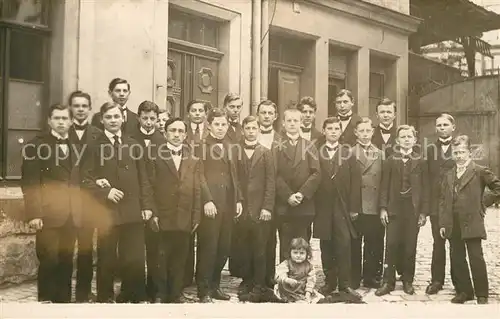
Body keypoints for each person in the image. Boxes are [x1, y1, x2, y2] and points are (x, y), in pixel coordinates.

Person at [82, 102, 154, 303]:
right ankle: (105, 297)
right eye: (109, 117)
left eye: (116, 116)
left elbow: (144, 178)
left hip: (133, 210)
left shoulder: (133, 144)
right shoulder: (94, 146)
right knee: (107, 256)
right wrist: (105, 190)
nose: (113, 120)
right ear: (102, 120)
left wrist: (147, 206)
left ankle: (133, 294)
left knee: (135, 256)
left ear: (123, 119)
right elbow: (84, 178)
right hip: (107, 212)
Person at [22, 104, 82, 303]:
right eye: (57, 118)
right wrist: (34, 214)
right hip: (47, 215)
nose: (61, 122)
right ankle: (45, 305)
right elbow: (30, 183)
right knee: (49, 260)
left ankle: (63, 305)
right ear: (49, 121)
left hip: (71, 214)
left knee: (66, 262)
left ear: (71, 121)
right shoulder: (35, 146)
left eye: (65, 118)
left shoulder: (77, 145)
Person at [148, 117, 205, 303]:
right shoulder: (155, 156)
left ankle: (176, 293)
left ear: (186, 135)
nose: (177, 135)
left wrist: (196, 215)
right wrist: (153, 212)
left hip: (184, 215)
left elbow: (197, 189)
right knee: (161, 256)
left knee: (180, 257)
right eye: (172, 131)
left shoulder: (194, 159)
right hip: (163, 215)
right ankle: (159, 293)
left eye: (180, 131)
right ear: (165, 133)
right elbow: (149, 186)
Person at [438, 135, 500, 304]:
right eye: (456, 152)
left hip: (472, 220)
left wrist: (483, 202)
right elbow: (443, 200)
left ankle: (482, 293)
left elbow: (497, 187)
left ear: (469, 153)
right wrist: (443, 223)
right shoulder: (449, 174)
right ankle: (464, 291)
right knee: (457, 256)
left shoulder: (479, 171)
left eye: (462, 152)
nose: (459, 155)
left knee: (476, 256)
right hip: (453, 221)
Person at [196, 108, 243, 303]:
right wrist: (207, 200)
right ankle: (203, 289)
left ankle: (215, 286)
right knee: (209, 247)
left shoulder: (231, 146)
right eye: (217, 124)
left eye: (224, 124)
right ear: (209, 125)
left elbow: (234, 176)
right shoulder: (200, 146)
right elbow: (198, 176)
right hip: (210, 205)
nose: (221, 128)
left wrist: (238, 199)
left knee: (223, 247)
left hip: (227, 204)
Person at [376, 125, 429, 296]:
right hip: (394, 208)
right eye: (403, 137)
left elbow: (425, 189)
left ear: (415, 140)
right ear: (397, 141)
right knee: (390, 244)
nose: (406, 140)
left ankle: (408, 280)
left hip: (412, 209)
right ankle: (388, 281)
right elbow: (384, 185)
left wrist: (423, 213)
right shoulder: (391, 160)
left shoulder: (421, 161)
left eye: (409, 137)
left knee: (409, 245)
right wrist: (383, 208)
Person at [313, 117, 361, 300]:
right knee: (326, 244)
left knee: (344, 244)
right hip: (323, 206)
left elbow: (356, 182)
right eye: (329, 128)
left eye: (336, 129)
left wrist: (354, 208)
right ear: (324, 131)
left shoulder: (348, 153)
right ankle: (329, 281)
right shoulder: (316, 152)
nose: (333, 132)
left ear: (340, 132)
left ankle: (345, 284)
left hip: (342, 206)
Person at [234, 116, 276, 302]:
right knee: (244, 247)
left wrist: (267, 207)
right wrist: (237, 201)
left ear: (258, 130)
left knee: (260, 247)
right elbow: (233, 179)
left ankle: (260, 284)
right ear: (242, 130)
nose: (251, 131)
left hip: (260, 209)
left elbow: (271, 182)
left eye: (254, 128)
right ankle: (247, 281)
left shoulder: (266, 153)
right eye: (247, 128)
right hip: (242, 208)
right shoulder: (234, 151)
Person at [67, 91, 102, 303]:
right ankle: (61, 292)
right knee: (64, 247)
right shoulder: (62, 133)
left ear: (90, 109)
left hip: (89, 200)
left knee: (87, 249)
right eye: (76, 105)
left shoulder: (98, 134)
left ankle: (83, 292)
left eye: (84, 106)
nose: (80, 109)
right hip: (67, 199)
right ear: (71, 108)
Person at [131, 100, 166, 303]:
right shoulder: (129, 138)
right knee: (135, 248)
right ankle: (136, 290)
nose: (149, 122)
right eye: (145, 118)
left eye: (153, 118)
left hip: (156, 201)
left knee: (155, 248)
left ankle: (154, 290)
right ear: (139, 118)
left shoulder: (161, 140)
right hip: (134, 200)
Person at [275, 108, 321, 261]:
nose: (292, 124)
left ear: (301, 123)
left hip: (304, 206)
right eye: (289, 120)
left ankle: (303, 279)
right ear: (283, 123)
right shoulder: (276, 146)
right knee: (286, 245)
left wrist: (301, 194)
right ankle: (285, 280)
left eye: (296, 120)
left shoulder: (310, 146)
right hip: (285, 205)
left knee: (303, 246)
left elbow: (316, 173)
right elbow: (274, 174)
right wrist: (288, 195)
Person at [350, 118, 385, 289]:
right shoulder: (348, 152)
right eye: (361, 131)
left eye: (368, 131)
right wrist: (351, 207)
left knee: (373, 242)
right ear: (355, 133)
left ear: (372, 132)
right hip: (356, 205)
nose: (365, 134)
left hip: (373, 205)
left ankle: (371, 277)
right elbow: (346, 183)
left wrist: (382, 207)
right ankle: (354, 277)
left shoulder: (380, 154)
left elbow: (384, 182)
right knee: (354, 242)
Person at [425, 113, 458, 295]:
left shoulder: (460, 147)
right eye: (439, 125)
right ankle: (437, 280)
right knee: (438, 243)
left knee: (456, 244)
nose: (442, 128)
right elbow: (426, 179)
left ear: (453, 127)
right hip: (437, 206)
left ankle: (458, 281)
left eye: (445, 124)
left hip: (455, 205)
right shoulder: (430, 149)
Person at [256, 99, 282, 289]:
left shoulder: (281, 140)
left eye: (269, 113)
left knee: (271, 239)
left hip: (275, 197)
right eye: (263, 113)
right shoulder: (249, 137)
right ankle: (251, 278)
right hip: (253, 198)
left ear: (275, 117)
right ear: (258, 116)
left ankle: (269, 277)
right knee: (253, 239)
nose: (266, 116)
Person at [274, 238, 323, 303]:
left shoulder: (309, 266)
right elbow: (281, 273)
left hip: (302, 289)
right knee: (281, 282)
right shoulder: (287, 263)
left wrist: (308, 293)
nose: (298, 255)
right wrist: (286, 279)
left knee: (313, 297)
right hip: (289, 288)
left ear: (307, 254)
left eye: (302, 253)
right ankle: (286, 298)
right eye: (295, 253)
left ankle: (304, 298)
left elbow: (311, 281)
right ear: (290, 253)